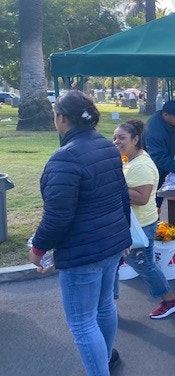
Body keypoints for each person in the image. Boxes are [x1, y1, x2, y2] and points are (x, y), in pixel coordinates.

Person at [27, 90, 131, 376]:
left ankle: (101, 367)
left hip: (83, 253)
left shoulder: (65, 158)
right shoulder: (107, 146)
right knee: (104, 307)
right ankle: (105, 358)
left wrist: (37, 249)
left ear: (61, 119)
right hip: (111, 244)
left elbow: (57, 216)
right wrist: (125, 238)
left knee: (83, 323)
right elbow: (121, 196)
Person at [113, 119, 175, 319]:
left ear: (136, 139)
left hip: (140, 226)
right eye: (115, 137)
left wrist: (113, 185)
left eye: (122, 138)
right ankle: (107, 305)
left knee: (144, 265)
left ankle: (170, 300)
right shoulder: (129, 160)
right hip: (126, 224)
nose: (116, 141)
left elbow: (142, 198)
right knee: (112, 264)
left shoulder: (141, 165)